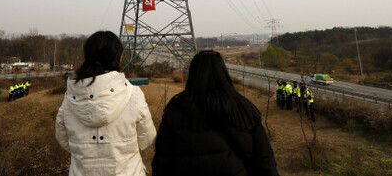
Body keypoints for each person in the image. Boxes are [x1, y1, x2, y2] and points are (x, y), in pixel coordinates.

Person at [152, 50, 280, 176]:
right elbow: (265, 162)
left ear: (193, 73)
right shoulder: (245, 108)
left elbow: (162, 162)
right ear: (223, 72)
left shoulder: (177, 107)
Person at [55, 31, 156, 176]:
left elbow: (63, 138)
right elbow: (146, 138)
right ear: (119, 58)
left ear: (87, 57)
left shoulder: (71, 96)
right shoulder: (134, 94)